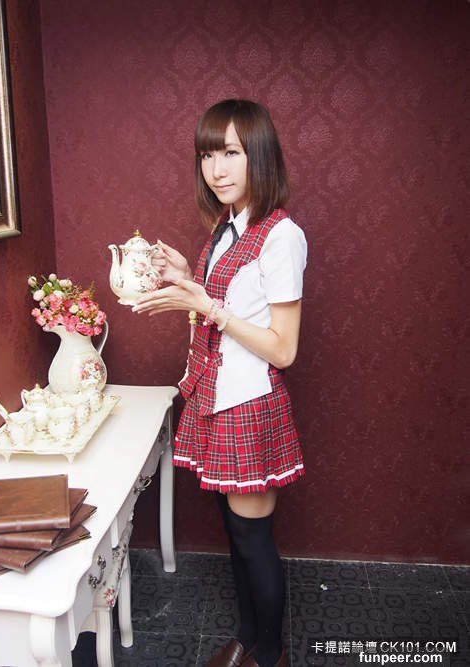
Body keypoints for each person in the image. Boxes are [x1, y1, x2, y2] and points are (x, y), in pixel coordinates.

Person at [133, 99, 307, 667]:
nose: (217, 169)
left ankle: (270, 654)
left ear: (259, 154)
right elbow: (226, 305)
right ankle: (247, 640)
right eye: (208, 155)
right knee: (236, 533)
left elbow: (283, 348)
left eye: (230, 152)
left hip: (249, 403)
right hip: (214, 397)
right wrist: (190, 276)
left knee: (254, 539)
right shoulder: (227, 229)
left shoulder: (281, 237)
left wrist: (206, 305)